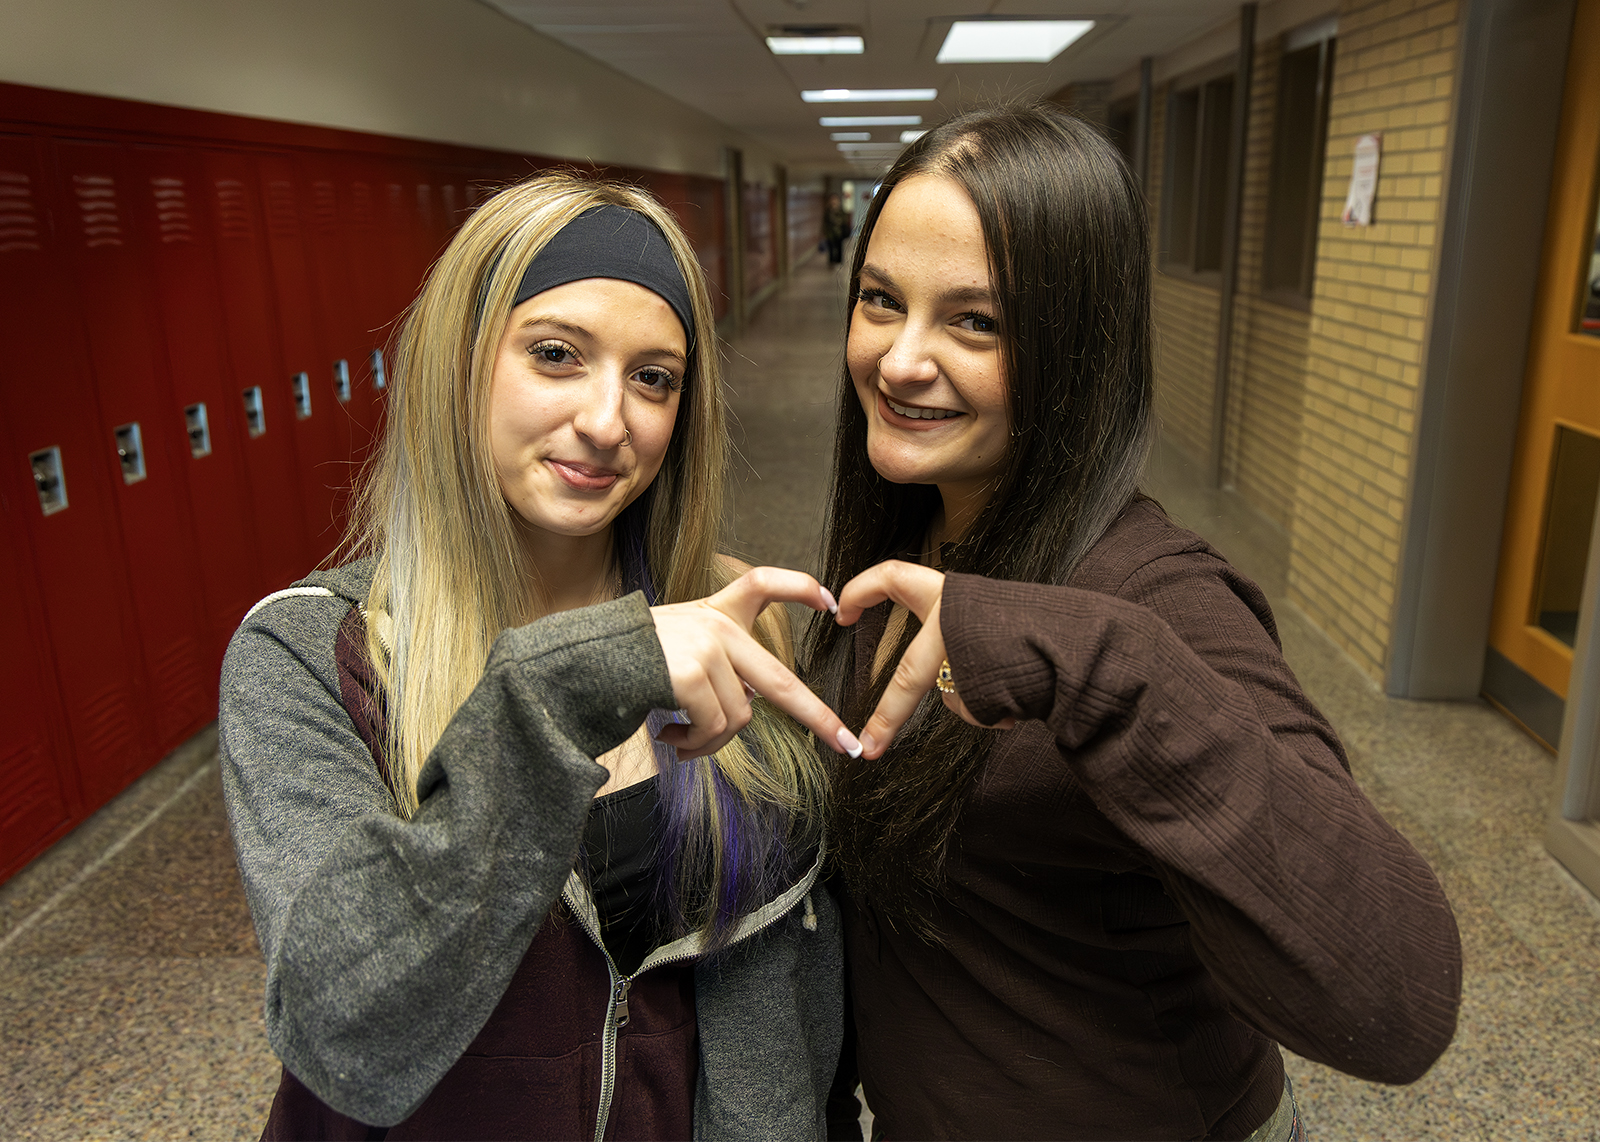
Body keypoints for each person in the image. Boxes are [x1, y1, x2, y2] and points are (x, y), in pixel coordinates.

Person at [806, 104, 1463, 1140]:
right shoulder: (914, 534)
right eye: (881, 301)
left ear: (1075, 347)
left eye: (975, 321)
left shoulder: (1160, 596)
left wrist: (1097, 661)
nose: (898, 359)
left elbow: (1395, 998)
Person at [219, 173, 860, 1140]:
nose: (609, 423)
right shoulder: (311, 658)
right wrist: (566, 687)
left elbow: (780, 1003)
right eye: (556, 355)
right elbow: (347, 1031)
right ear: (462, 364)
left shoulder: (732, 623)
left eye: (655, 377)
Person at [823, 193, 852, 266]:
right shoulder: (828, 211)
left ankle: (839, 261)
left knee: (839, 247)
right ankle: (831, 261)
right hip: (830, 233)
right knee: (831, 247)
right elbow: (825, 222)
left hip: (839, 232)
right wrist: (824, 232)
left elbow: (844, 220)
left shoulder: (840, 210)